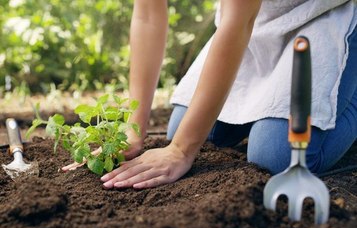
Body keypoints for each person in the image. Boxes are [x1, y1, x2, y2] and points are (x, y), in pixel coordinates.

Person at [64, 0, 357, 189]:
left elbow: (237, 22)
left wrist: (180, 151)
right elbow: (148, 16)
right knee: (183, 129)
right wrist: (133, 126)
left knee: (275, 155)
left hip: (325, 14)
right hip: (259, 22)